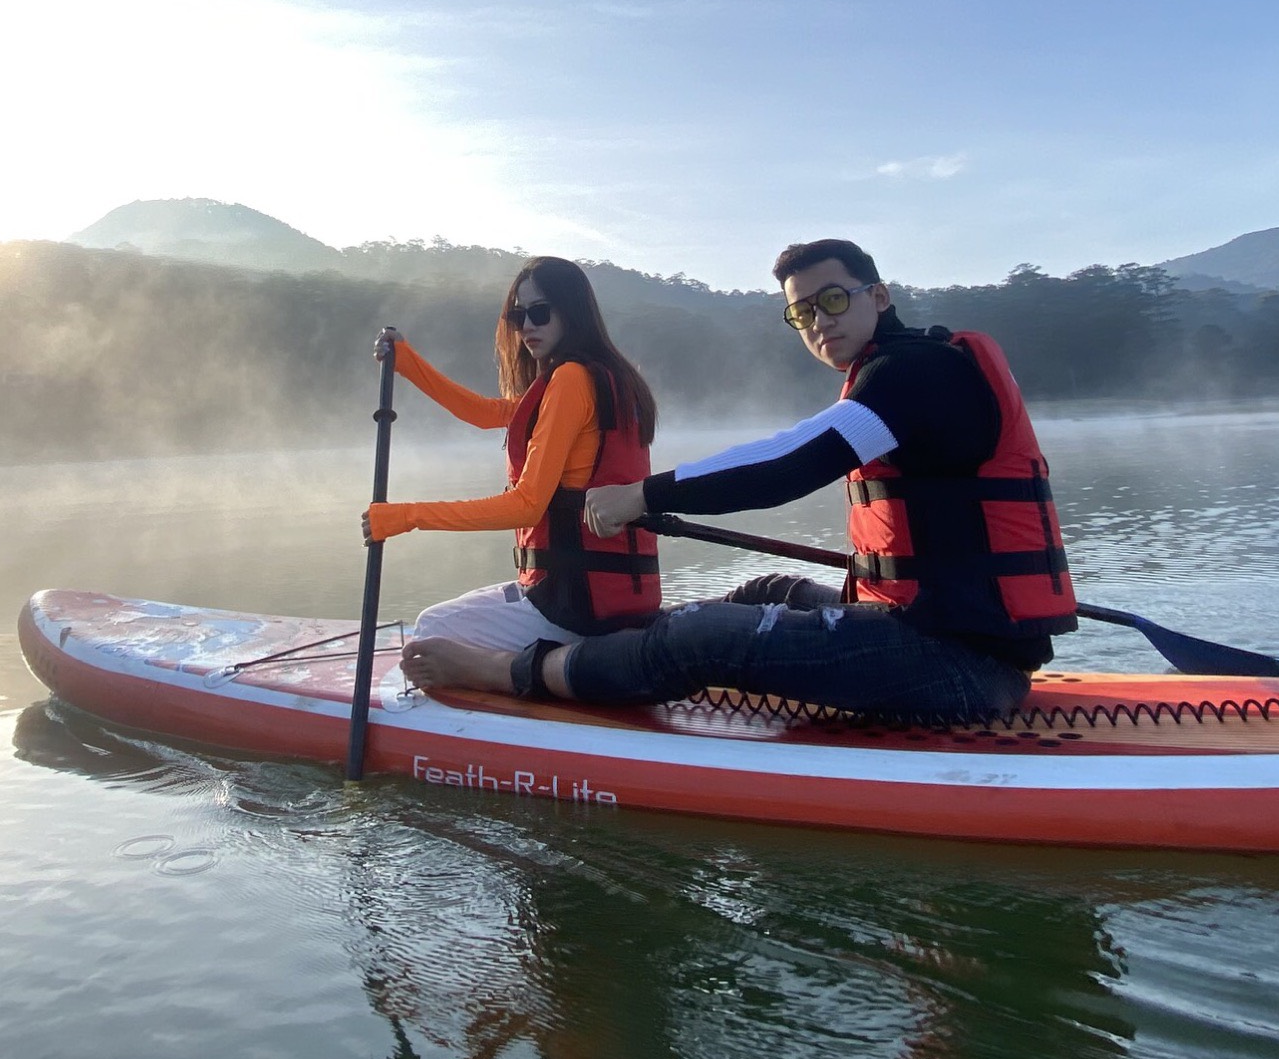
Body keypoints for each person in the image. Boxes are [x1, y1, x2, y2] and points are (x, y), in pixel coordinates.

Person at [401, 238, 1076, 719]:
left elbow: (788, 464)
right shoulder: (904, 368)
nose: (819, 321)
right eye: (802, 311)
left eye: (833, 299)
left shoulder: (913, 375)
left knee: (701, 636)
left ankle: (508, 670)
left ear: (879, 295)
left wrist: (645, 494)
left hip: (953, 668)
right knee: (764, 591)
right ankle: (630, 657)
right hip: (934, 633)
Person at [367, 257, 664, 671]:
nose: (526, 327)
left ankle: (527, 680)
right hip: (607, 599)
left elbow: (527, 505)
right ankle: (537, 668)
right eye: (518, 315)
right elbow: (486, 412)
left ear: (571, 310)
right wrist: (408, 362)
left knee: (431, 630)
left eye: (539, 312)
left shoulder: (572, 380)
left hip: (574, 607)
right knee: (444, 620)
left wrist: (407, 516)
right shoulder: (609, 377)